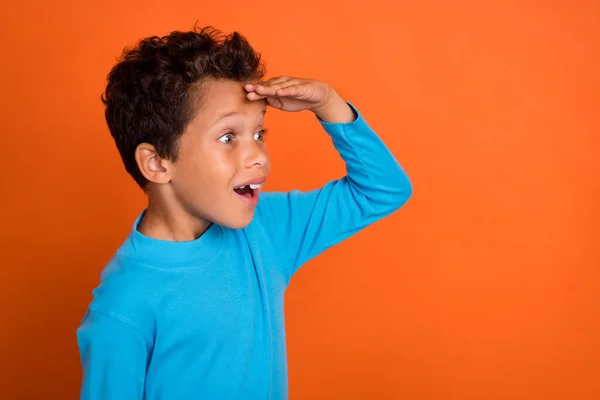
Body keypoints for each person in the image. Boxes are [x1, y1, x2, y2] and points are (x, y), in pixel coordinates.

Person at [76, 25, 412, 399]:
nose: (258, 155)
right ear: (156, 163)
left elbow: (383, 190)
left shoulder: (266, 229)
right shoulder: (123, 306)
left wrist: (328, 104)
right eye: (228, 137)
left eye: (259, 133)